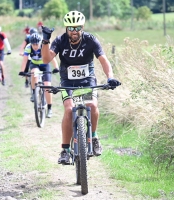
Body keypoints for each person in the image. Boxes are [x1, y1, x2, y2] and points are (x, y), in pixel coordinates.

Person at [40, 11, 121, 164]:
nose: (74, 31)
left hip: (87, 81)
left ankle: (95, 137)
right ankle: (65, 150)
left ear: (82, 27)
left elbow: (103, 60)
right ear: (66, 28)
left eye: (77, 27)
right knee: (69, 110)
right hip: (68, 82)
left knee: (92, 105)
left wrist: (110, 77)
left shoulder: (90, 40)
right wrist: (45, 40)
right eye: (71, 28)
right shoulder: (60, 40)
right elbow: (46, 59)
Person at [18, 33, 59, 118]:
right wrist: (22, 71)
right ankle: (34, 92)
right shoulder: (28, 47)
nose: (35, 46)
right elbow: (25, 60)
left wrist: (56, 68)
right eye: (33, 44)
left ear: (40, 43)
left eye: (37, 44)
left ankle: (49, 108)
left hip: (45, 65)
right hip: (35, 64)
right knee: (34, 73)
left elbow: (52, 57)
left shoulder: (44, 47)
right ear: (31, 43)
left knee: (48, 86)